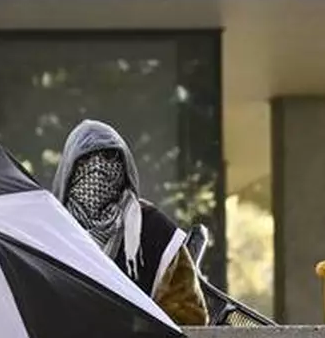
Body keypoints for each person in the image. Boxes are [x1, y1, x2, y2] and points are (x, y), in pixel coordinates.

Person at [52, 119, 208, 326]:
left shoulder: (154, 231)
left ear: (124, 167)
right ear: (69, 170)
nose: (98, 167)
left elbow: (190, 316)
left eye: (109, 156)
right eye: (86, 158)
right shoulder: (52, 233)